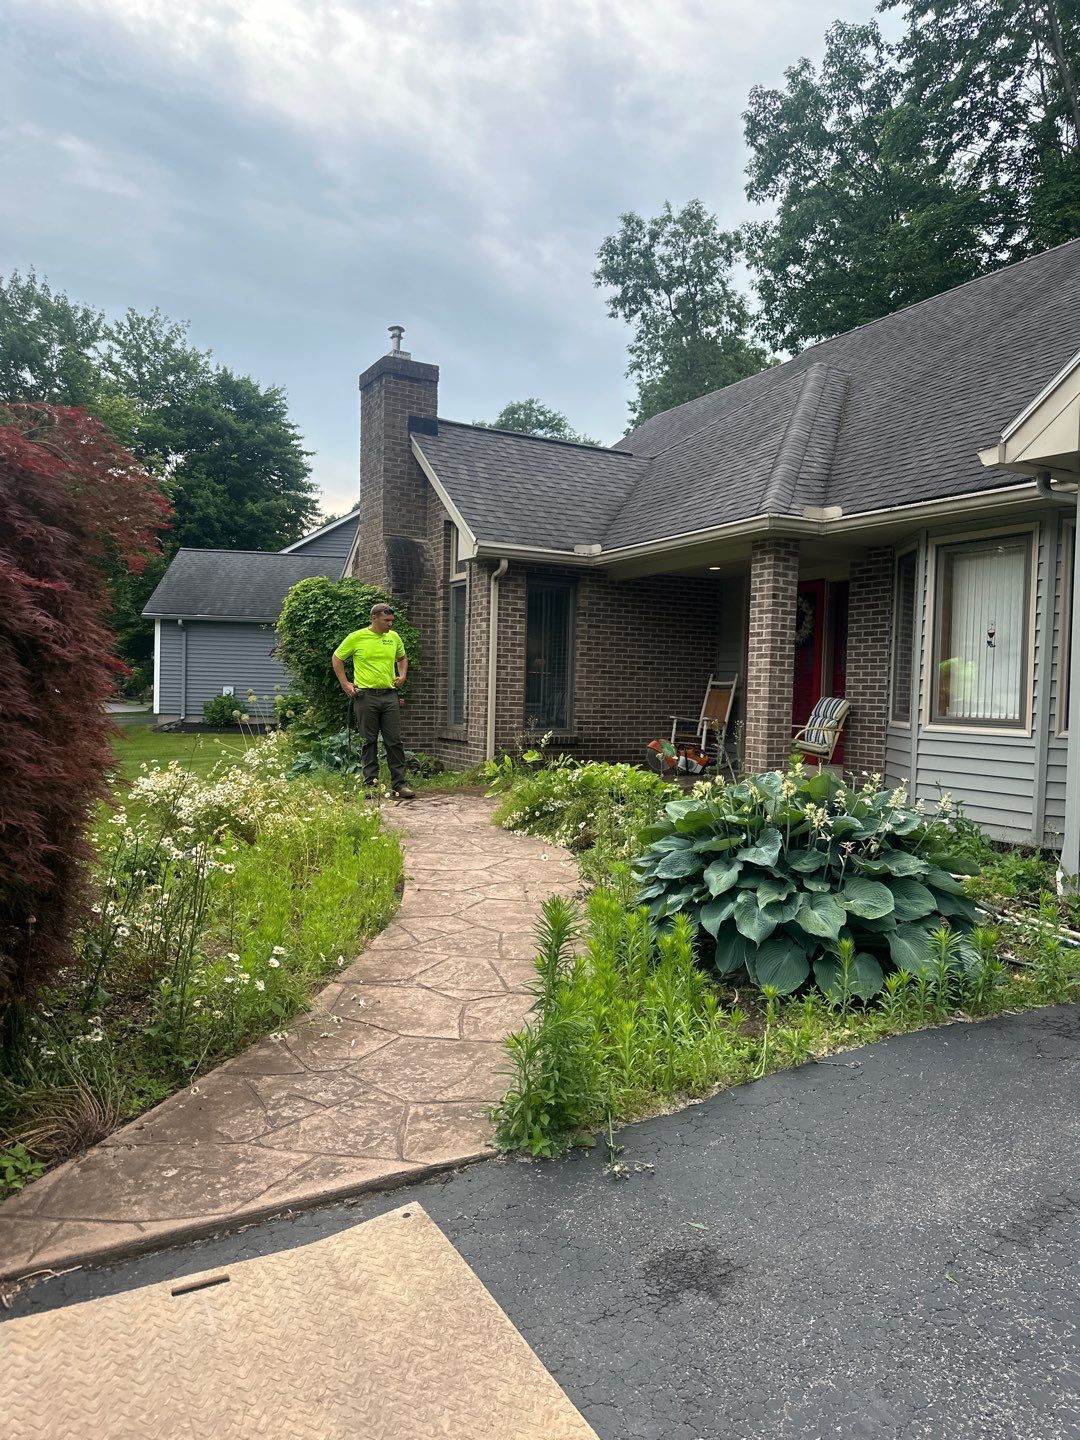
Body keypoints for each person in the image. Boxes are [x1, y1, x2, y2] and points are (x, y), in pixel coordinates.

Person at [331, 603, 416, 799]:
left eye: (391, 621)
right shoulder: (356, 637)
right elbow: (337, 658)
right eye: (386, 620)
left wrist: (402, 675)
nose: (390, 624)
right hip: (365, 696)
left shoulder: (393, 637)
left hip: (389, 695)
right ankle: (370, 785)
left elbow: (402, 658)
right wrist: (345, 684)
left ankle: (400, 784)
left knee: (394, 740)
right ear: (374, 618)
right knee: (368, 741)